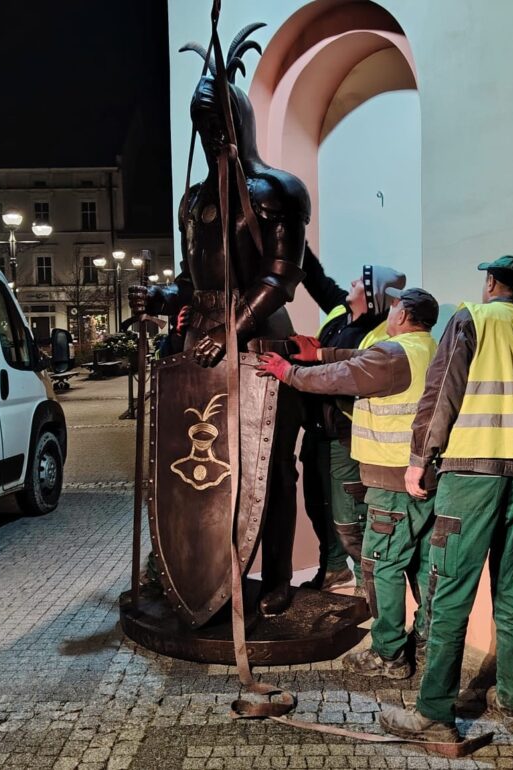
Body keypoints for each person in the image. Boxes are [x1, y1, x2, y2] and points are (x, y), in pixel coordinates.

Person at [129, 30, 310, 617]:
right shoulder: (192, 201)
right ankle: (202, 575)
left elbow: (280, 277)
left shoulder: (277, 191)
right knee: (199, 467)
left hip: (259, 338)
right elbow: (193, 279)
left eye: (217, 125)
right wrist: (159, 297)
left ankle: (277, 577)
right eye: (200, 126)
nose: (209, 138)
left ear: (237, 124)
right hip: (200, 341)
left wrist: (232, 328)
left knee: (273, 465)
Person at [379, 256, 513, 742]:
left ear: (491, 283)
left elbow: (442, 390)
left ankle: (435, 714)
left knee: (449, 596)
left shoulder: (471, 319)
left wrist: (419, 457)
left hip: (470, 477)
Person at [258, 288, 440, 678]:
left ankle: (389, 654)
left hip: (393, 480)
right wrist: (320, 353)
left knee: (383, 564)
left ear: (405, 315)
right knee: (424, 565)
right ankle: (425, 644)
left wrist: (288, 372)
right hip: (427, 478)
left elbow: (343, 376)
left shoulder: (392, 353)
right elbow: (358, 358)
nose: (389, 313)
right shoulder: (430, 349)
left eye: (394, 308)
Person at [298, 256, 407, 591]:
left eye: (360, 282)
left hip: (345, 437)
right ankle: (333, 568)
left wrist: (298, 371)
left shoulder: (375, 337)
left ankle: (366, 584)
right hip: (317, 430)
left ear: (372, 295)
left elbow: (340, 379)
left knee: (348, 515)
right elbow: (315, 277)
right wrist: (295, 237)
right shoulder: (338, 314)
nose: (352, 284)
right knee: (317, 506)